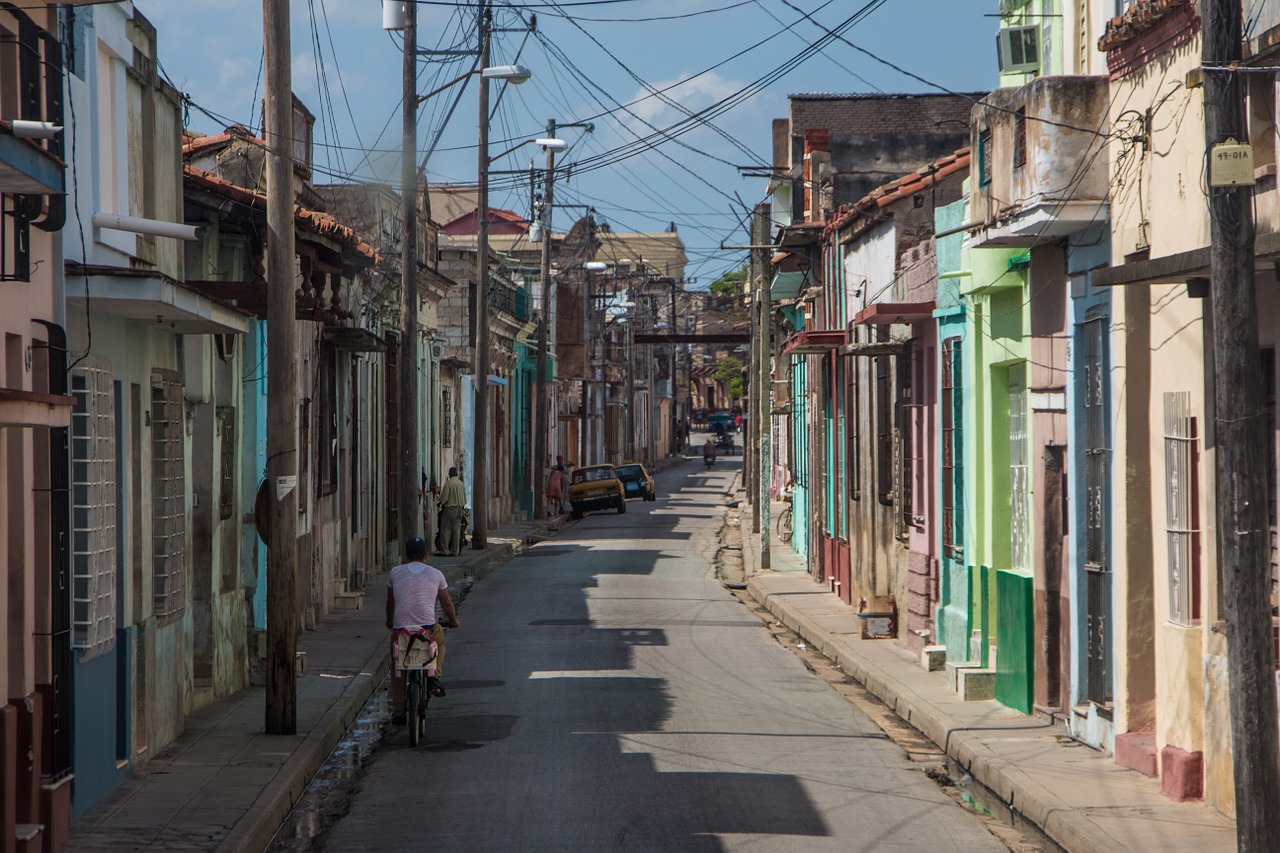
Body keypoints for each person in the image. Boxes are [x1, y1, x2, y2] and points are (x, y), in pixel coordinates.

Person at [386, 538, 460, 724]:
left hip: (400, 630)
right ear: (426, 556)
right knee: (440, 640)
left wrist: (389, 622)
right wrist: (453, 621)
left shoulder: (395, 573)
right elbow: (446, 603)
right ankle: (434, 675)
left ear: (406, 556)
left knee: (397, 666)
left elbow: (391, 602)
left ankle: (398, 711)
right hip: (427, 629)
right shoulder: (436, 574)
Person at [438, 467, 467, 556]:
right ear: (457, 474)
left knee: (445, 530)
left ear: (449, 474)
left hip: (449, 509)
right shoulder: (461, 484)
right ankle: (455, 551)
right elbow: (465, 498)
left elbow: (444, 498)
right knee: (456, 531)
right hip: (459, 509)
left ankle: (445, 550)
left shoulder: (448, 484)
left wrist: (440, 502)